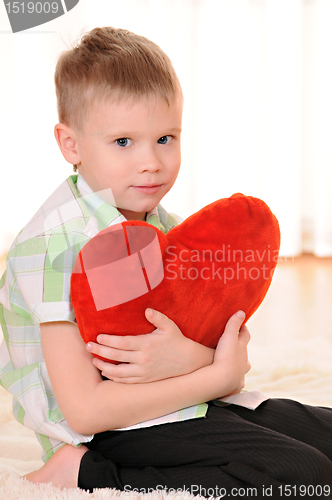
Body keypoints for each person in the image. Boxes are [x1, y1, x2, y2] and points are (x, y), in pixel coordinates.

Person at [0, 27, 332, 499]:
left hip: (185, 399)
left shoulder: (160, 224)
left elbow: (207, 339)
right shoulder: (53, 248)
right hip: (112, 430)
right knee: (304, 476)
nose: (151, 162)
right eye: (123, 142)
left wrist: (201, 365)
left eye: (165, 137)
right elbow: (86, 410)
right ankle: (84, 474)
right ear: (70, 144)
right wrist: (216, 375)